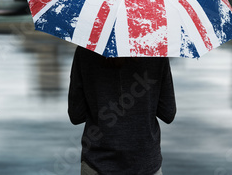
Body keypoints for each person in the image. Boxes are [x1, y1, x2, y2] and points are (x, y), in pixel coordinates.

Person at [68, 46, 176, 175]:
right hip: (146, 163)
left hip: (97, 163)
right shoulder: (156, 52)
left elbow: (76, 115)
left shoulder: (85, 51)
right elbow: (168, 113)